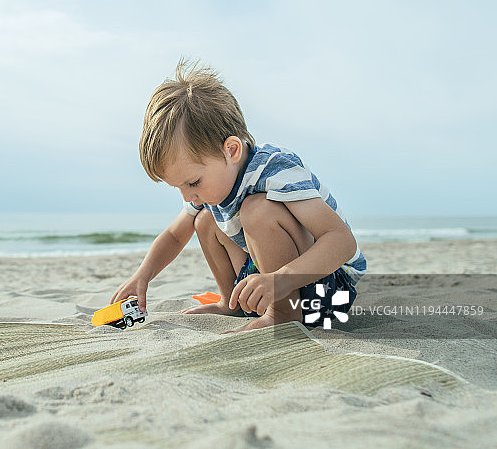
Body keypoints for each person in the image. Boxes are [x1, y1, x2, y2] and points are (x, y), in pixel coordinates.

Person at [111, 59, 366, 331]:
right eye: (179, 188)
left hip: (327, 286)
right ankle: (229, 302)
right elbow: (174, 236)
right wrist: (143, 276)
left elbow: (342, 242)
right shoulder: (215, 183)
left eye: (193, 182)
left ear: (231, 150)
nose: (187, 197)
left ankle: (283, 314)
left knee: (256, 210)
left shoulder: (275, 170)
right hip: (274, 282)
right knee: (204, 219)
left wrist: (281, 280)